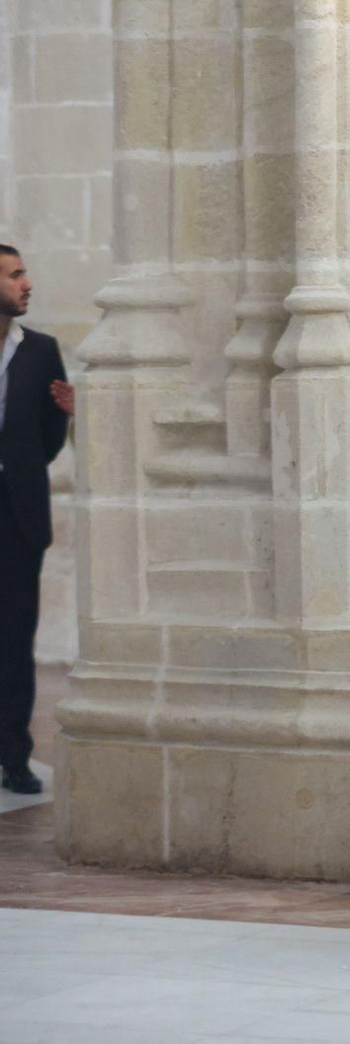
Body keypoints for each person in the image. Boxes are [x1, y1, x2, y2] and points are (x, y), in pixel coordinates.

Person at [0, 245, 74, 797]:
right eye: (15, 275)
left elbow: (48, 439)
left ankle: (14, 756)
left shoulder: (42, 350)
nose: (27, 283)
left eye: (24, 271)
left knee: (14, 638)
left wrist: (70, 414)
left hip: (19, 516)